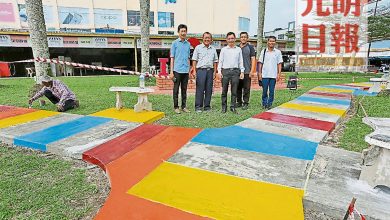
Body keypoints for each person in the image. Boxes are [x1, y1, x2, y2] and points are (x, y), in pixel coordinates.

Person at [218, 32, 244, 114]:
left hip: (235, 72)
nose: (231, 40)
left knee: (234, 91)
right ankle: (224, 107)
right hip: (225, 71)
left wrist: (242, 71)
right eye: (229, 38)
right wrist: (219, 71)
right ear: (226, 40)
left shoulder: (238, 49)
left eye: (232, 38)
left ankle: (232, 107)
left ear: (235, 39)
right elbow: (220, 61)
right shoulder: (223, 50)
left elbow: (241, 62)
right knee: (224, 91)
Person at [191, 32, 218, 113]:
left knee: (209, 89)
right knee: (200, 89)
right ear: (202, 38)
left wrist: (215, 72)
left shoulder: (213, 49)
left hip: (210, 71)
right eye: (205, 37)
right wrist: (194, 71)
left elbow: (215, 61)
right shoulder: (198, 48)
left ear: (211, 39)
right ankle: (198, 107)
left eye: (208, 38)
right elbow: (194, 60)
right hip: (201, 71)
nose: (207, 39)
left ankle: (207, 106)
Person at [170, 24, 191, 114]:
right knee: (176, 90)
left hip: (185, 70)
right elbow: (172, 58)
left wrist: (189, 70)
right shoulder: (174, 43)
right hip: (177, 70)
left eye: (184, 31)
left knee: (184, 90)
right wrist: (171, 72)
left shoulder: (188, 44)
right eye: (181, 31)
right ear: (178, 32)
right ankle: (176, 107)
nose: (183, 33)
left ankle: (184, 106)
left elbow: (188, 58)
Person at [258, 36, 283, 110]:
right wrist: (259, 73)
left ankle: (269, 104)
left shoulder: (278, 52)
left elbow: (279, 64)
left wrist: (279, 74)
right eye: (270, 41)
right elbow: (260, 63)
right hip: (265, 75)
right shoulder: (264, 51)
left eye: (273, 41)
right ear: (267, 42)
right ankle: (264, 103)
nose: (271, 42)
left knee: (271, 91)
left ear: (275, 42)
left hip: (273, 75)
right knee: (264, 91)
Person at [236, 32, 256, 110]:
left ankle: (245, 103)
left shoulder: (250, 47)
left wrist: (252, 71)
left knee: (246, 88)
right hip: (237, 72)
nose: (243, 38)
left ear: (247, 38)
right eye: (242, 37)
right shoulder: (236, 47)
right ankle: (239, 102)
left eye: (245, 37)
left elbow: (253, 59)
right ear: (240, 38)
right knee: (238, 88)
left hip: (247, 71)